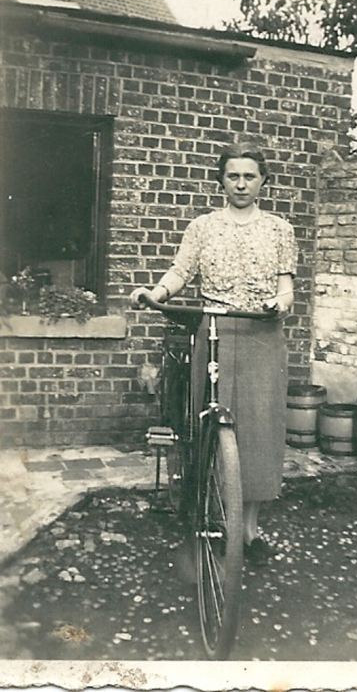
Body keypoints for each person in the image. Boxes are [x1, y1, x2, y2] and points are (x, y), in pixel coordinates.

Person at [130, 141, 298, 566]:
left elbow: (287, 287)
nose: (241, 183)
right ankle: (214, 517)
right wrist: (156, 292)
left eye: (249, 176)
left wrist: (281, 302)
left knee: (258, 434)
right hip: (216, 333)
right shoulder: (202, 227)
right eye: (233, 175)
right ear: (222, 180)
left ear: (263, 181)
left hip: (262, 336)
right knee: (213, 428)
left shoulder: (280, 229)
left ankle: (249, 531)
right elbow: (181, 272)